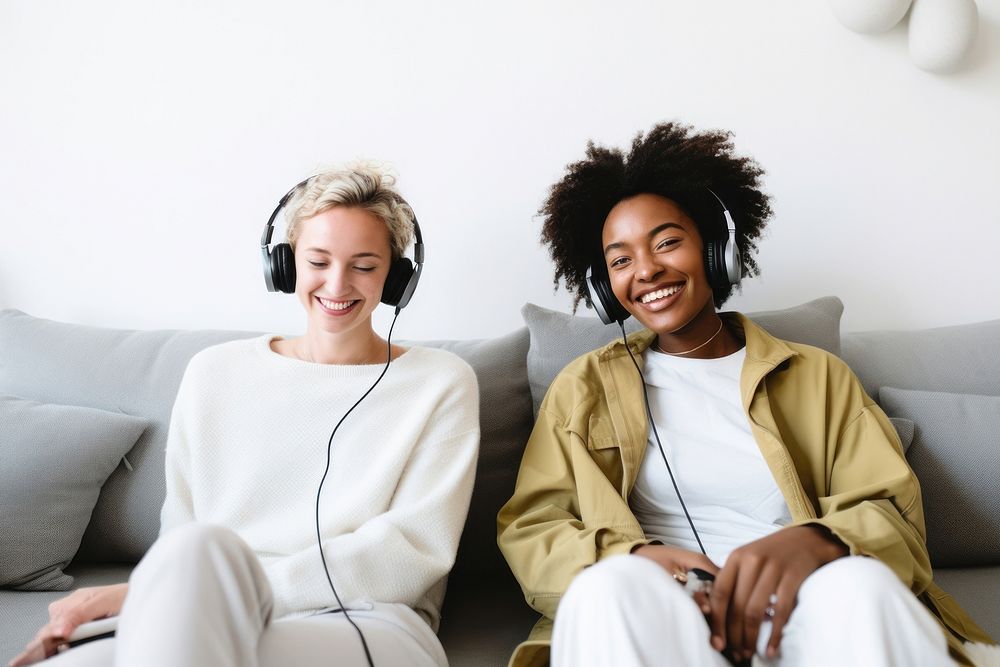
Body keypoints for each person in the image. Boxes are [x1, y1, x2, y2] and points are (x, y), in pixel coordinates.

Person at [496, 122, 995, 667]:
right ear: (605, 290)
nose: (647, 270)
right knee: (605, 589)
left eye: (667, 242)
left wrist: (821, 541)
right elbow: (532, 527)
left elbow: (891, 509)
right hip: (661, 614)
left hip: (802, 606)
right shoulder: (583, 387)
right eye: (620, 261)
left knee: (861, 585)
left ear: (717, 251)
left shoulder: (817, 376)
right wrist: (635, 555)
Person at [12, 162, 480, 667]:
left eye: (364, 266)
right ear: (285, 265)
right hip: (204, 607)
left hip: (364, 617)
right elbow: (182, 534)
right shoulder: (215, 372)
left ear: (396, 277)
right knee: (192, 554)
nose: (338, 284)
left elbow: (407, 554)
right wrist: (159, 602)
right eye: (317, 261)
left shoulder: (440, 383)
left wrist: (154, 599)